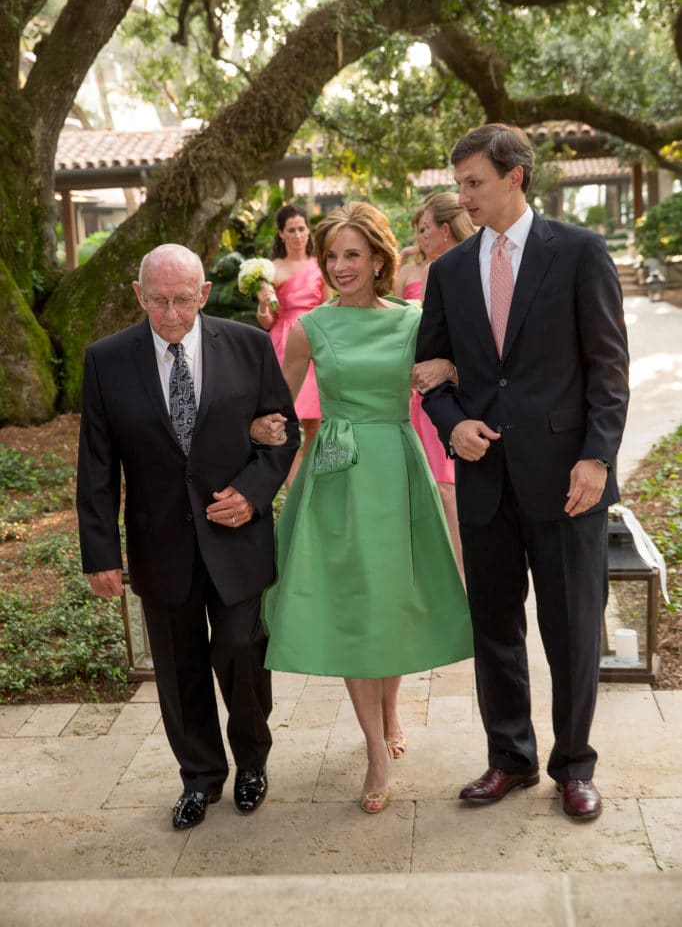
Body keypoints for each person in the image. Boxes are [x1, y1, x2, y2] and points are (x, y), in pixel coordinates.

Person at [416, 124, 629, 821]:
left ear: (515, 177)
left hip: (570, 480)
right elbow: (431, 374)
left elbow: (608, 369)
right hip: (486, 483)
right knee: (495, 628)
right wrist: (453, 423)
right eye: (458, 185)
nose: (463, 197)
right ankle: (510, 757)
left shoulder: (579, 252)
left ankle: (574, 766)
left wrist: (597, 457)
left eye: (473, 182)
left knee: (570, 629)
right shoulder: (449, 272)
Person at [260, 202, 473, 814]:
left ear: (379, 259)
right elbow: (273, 400)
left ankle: (392, 710)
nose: (340, 266)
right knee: (356, 602)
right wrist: (254, 451)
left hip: (399, 468)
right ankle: (376, 752)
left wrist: (453, 365)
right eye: (332, 256)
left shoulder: (414, 319)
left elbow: (456, 371)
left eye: (353, 254)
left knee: (394, 597)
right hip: (338, 472)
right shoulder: (312, 328)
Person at [76, 243, 299, 831]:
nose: (171, 314)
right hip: (159, 544)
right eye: (157, 300)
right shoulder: (106, 360)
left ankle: (252, 762)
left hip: (237, 538)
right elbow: (96, 466)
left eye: (181, 300)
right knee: (178, 671)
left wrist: (252, 493)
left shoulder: (248, 346)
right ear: (138, 296)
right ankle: (199, 778)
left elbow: (283, 431)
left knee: (241, 652)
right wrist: (100, 554)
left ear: (202, 294)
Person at [397, 191, 476, 577]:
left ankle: (464, 581)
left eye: (425, 228)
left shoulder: (464, 267)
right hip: (420, 391)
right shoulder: (414, 271)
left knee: (448, 489)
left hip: (461, 391)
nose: (420, 236)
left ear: (446, 230)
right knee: (433, 490)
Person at [255, 204, 332, 486]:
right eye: (292, 230)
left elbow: (328, 306)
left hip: (315, 340)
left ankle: (308, 480)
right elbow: (266, 321)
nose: (298, 234)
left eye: (302, 228)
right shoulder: (272, 269)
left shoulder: (321, 265)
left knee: (316, 420)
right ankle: (291, 486)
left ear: (308, 230)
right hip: (283, 342)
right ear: (281, 234)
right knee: (288, 417)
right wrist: (264, 303)